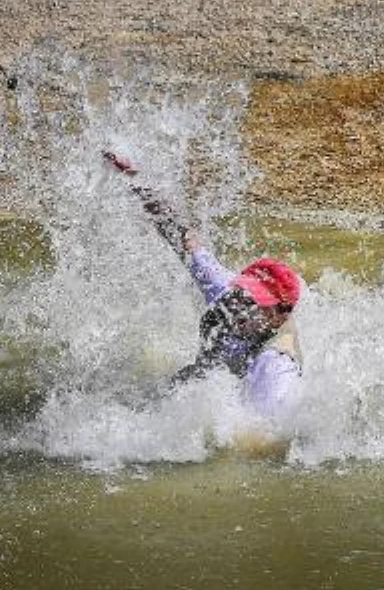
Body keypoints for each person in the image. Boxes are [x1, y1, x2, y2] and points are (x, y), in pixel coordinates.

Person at [103, 151, 304, 422]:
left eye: (259, 305)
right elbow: (185, 239)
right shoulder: (229, 292)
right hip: (204, 381)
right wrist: (136, 181)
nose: (244, 307)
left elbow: (263, 440)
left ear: (280, 314)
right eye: (247, 294)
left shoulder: (275, 368)